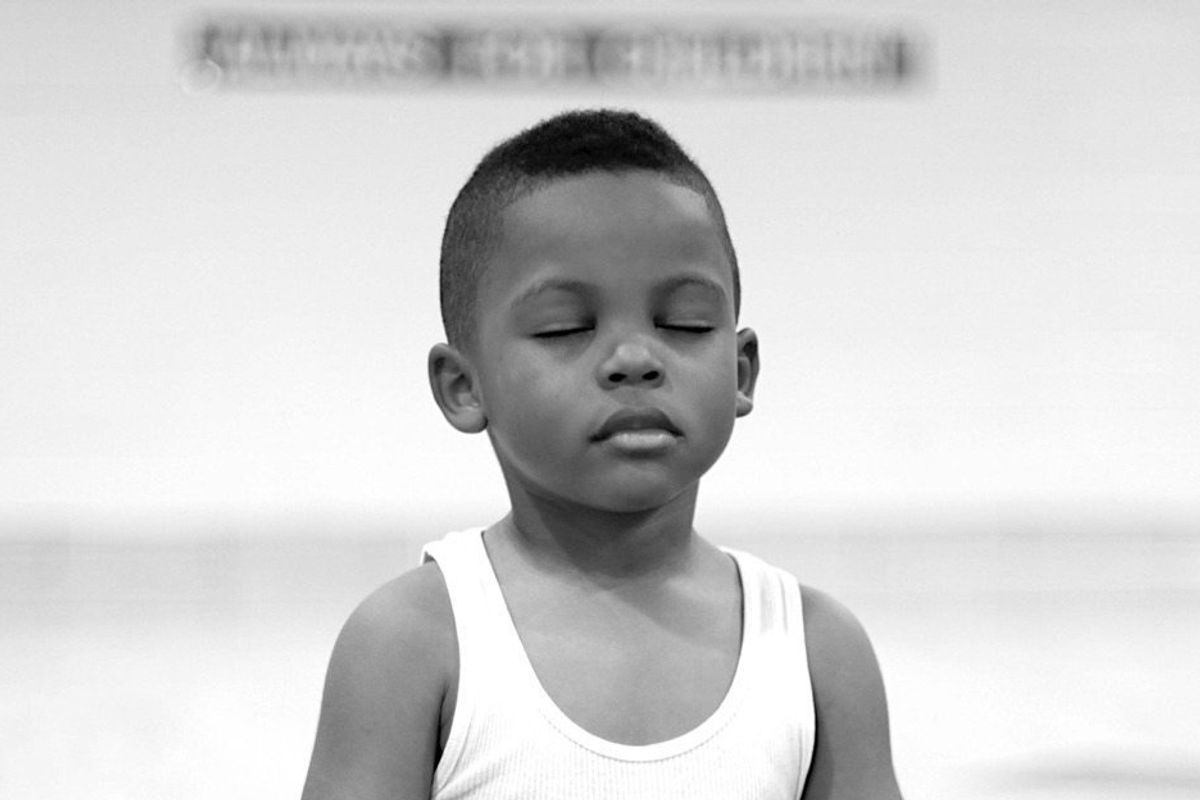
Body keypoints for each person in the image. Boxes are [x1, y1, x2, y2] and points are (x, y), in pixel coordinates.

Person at [301, 108, 904, 800]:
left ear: (741, 371)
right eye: (565, 328)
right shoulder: (412, 644)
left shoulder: (814, 651)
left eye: (683, 322)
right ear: (464, 387)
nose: (634, 358)